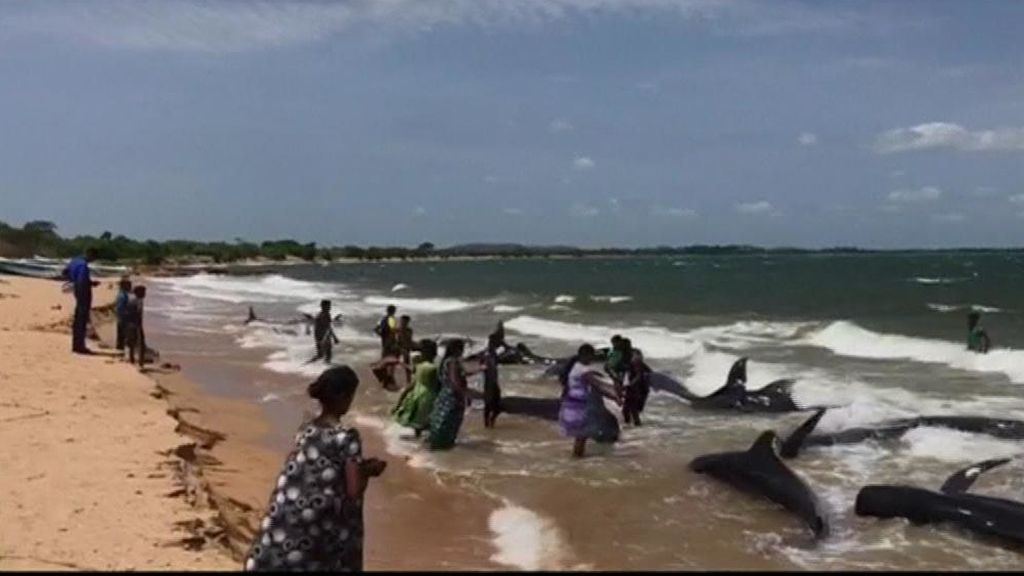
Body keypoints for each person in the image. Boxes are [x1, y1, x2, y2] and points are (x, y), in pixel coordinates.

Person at [245, 365, 386, 572]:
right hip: (318, 519)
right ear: (343, 396)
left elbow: (320, 466)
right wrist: (368, 470)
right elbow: (353, 489)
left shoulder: (306, 428)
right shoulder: (346, 436)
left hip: (289, 511)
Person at [559, 344, 623, 458]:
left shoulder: (576, 366)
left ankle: (577, 457)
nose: (592, 358)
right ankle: (576, 459)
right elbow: (597, 385)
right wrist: (615, 397)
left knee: (581, 435)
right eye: (591, 355)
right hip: (580, 404)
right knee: (581, 434)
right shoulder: (584, 371)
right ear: (586, 355)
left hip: (573, 401)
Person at [427, 339, 484, 451]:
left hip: (444, 396)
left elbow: (459, 375)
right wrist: (469, 393)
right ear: (457, 349)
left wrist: (479, 370)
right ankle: (442, 450)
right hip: (453, 398)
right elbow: (455, 381)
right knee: (449, 424)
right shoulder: (453, 362)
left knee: (440, 423)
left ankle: (437, 449)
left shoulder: (445, 361)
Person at [392, 339, 440, 437]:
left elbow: (410, 386)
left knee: (418, 424)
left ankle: (416, 442)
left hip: (417, 397)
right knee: (431, 424)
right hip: (429, 399)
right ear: (434, 353)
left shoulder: (419, 366)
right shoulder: (433, 368)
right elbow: (438, 386)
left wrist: (399, 403)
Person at [62, 247, 100, 354]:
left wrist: (72, 280)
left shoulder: (74, 261)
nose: (92, 261)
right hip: (83, 294)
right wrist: (88, 285)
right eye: (93, 258)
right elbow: (82, 281)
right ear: (90, 255)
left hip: (77, 293)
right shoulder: (83, 266)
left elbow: (64, 272)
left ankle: (76, 345)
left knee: (77, 319)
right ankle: (80, 346)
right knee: (81, 321)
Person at [622, 349, 651, 426]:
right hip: (637, 390)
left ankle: (632, 426)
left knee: (631, 410)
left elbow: (639, 376)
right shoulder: (638, 365)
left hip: (636, 391)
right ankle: (631, 427)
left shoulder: (639, 365)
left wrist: (630, 384)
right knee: (628, 410)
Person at [123, 285, 147, 368]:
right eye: (144, 292)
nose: (145, 294)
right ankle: (141, 364)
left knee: (131, 343)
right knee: (141, 344)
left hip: (129, 324)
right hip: (136, 325)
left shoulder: (131, 300)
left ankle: (131, 359)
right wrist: (139, 326)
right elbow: (139, 313)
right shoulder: (139, 301)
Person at [482, 334, 502, 428]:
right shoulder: (487, 355)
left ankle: (490, 421)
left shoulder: (494, 354)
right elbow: (484, 367)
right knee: (489, 404)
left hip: (494, 382)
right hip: (489, 383)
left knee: (496, 406)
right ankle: (487, 423)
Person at [311, 300, 340, 364]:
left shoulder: (320, 314)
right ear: (323, 306)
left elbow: (319, 327)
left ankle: (307, 365)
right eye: (328, 306)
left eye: (330, 306)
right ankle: (326, 366)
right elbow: (328, 327)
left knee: (320, 355)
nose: (330, 308)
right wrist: (334, 338)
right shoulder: (325, 315)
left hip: (319, 336)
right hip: (323, 336)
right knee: (327, 353)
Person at [396, 315, 416, 383]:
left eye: (405, 322)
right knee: (392, 365)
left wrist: (414, 346)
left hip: (406, 348)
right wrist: (401, 349)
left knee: (407, 365)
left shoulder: (409, 330)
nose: (403, 323)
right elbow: (395, 342)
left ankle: (408, 381)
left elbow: (409, 341)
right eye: (402, 322)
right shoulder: (397, 330)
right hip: (397, 348)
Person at [114, 277, 132, 351]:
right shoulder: (123, 295)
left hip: (120, 318)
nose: (131, 287)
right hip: (123, 318)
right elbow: (121, 307)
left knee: (121, 336)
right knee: (122, 336)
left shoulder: (121, 294)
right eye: (129, 285)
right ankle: (120, 350)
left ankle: (120, 349)